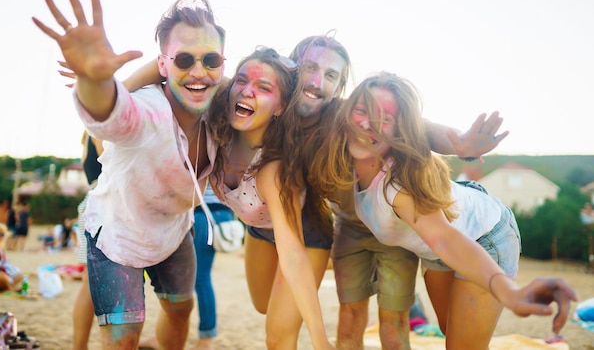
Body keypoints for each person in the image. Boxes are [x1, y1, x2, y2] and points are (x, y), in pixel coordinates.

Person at [309, 71, 578, 348]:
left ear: (401, 130)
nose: (367, 124)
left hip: (484, 236)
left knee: (461, 346)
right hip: (440, 242)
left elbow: (443, 237)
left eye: (385, 119)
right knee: (449, 328)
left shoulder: (397, 185)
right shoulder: (341, 158)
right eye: (361, 111)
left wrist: (510, 293)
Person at [32, 0, 226, 349]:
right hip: (116, 234)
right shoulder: (149, 110)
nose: (199, 71)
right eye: (185, 59)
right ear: (163, 65)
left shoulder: (223, 113)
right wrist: (96, 81)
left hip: (172, 232)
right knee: (123, 339)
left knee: (181, 311)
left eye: (211, 60)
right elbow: (112, 112)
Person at [288, 34, 509, 350]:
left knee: (424, 329)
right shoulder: (266, 101)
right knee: (358, 318)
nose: (316, 79)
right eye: (307, 67)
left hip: (406, 222)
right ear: (289, 69)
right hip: (358, 224)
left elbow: (418, 125)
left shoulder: (346, 114)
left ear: (340, 87)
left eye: (331, 75)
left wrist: (458, 143)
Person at [206, 47, 334, 349]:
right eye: (241, 81)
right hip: (260, 229)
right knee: (264, 305)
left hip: (307, 234)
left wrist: (320, 339)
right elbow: (171, 76)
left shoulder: (272, 170)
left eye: (264, 88)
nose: (247, 91)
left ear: (280, 107)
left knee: (278, 336)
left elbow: (293, 254)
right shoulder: (213, 136)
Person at [191, 184, 235, 350]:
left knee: (200, 278)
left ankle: (207, 338)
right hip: (220, 211)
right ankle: (164, 333)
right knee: (197, 277)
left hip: (204, 213)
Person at [72, 131, 103, 350]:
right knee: (91, 283)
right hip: (105, 199)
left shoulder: (88, 134)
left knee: (88, 282)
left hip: (93, 198)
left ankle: (79, 346)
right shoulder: (100, 128)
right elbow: (112, 165)